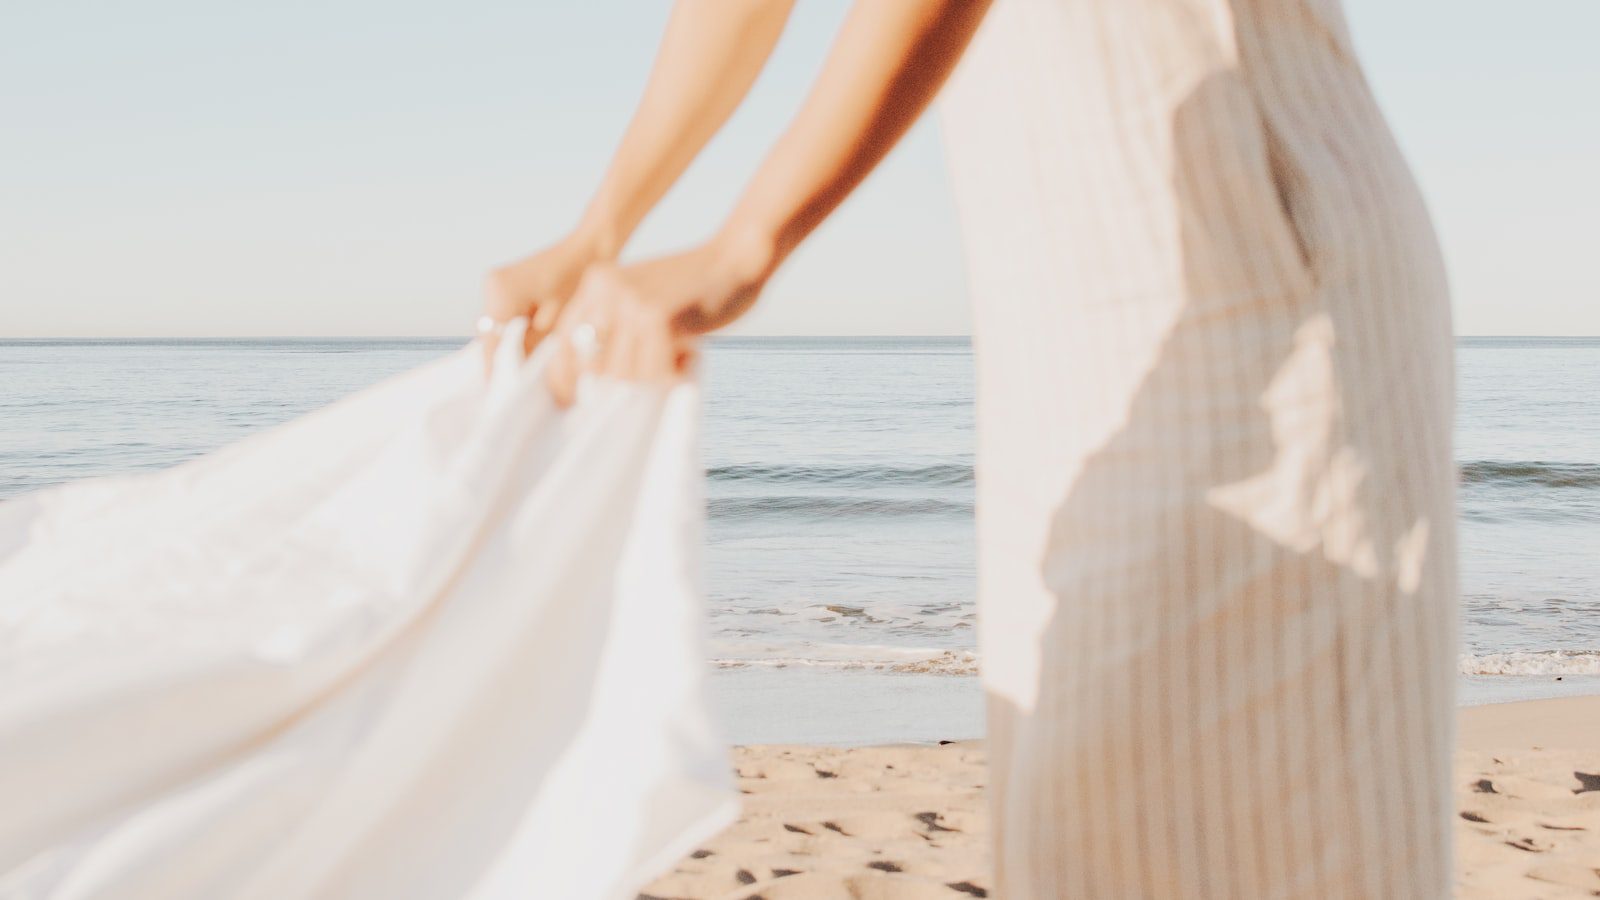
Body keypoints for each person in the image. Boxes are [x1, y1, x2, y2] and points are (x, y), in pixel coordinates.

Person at [485, 0, 1456, 896]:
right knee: (1090, 835)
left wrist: (748, 244)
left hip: (1254, 259)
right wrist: (602, 228)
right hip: (1069, 309)